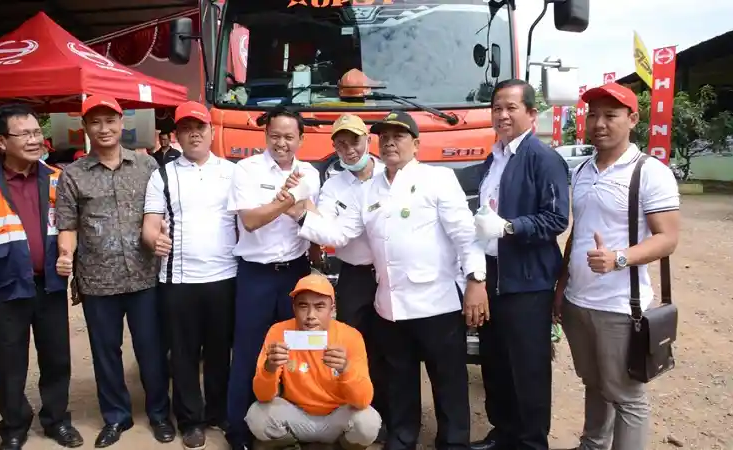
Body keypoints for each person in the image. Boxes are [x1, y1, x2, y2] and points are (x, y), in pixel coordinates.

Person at [289, 110, 488, 450]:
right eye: (385, 137)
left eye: (399, 136)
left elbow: (465, 235)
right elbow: (340, 233)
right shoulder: (370, 190)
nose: (390, 142)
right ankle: (401, 438)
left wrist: (476, 279)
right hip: (391, 306)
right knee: (399, 379)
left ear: (416, 144)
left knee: (448, 381)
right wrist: (299, 214)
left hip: (436, 302)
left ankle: (454, 443)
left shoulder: (438, 179)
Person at [554, 83, 680, 450]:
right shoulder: (582, 170)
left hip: (620, 306)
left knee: (627, 396)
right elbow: (579, 233)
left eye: (610, 115)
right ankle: (593, 444)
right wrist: (561, 288)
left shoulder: (649, 172)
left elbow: (668, 238)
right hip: (578, 302)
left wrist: (618, 258)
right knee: (594, 383)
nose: (599, 124)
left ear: (633, 119)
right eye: (593, 115)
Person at [0, 103, 83, 450]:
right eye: (24, 133)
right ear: (1, 141)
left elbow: (71, 226)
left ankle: (56, 420)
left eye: (37, 132)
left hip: (49, 286)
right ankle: (14, 425)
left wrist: (69, 259)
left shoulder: (57, 177)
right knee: (9, 361)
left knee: (56, 357)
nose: (34, 139)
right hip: (3, 286)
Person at [55, 95, 173, 448]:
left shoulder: (147, 166)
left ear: (122, 123)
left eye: (110, 121)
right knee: (105, 352)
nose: (103, 128)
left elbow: (162, 212)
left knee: (152, 349)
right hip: (97, 280)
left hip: (144, 276)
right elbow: (68, 224)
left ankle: (159, 413)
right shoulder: (73, 174)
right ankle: (116, 416)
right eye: (95, 122)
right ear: (85, 127)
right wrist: (65, 254)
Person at [468, 79, 571, 450]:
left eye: (511, 107)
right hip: (493, 275)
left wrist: (510, 227)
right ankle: (503, 433)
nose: (503, 115)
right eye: (497, 108)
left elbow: (556, 218)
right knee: (495, 361)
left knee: (528, 369)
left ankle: (530, 442)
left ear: (531, 113)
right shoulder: (493, 158)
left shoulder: (543, 159)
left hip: (527, 281)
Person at [142, 101, 237, 449]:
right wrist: (154, 240)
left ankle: (218, 412)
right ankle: (190, 420)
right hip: (178, 279)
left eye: (200, 128)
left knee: (219, 350)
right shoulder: (163, 175)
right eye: (186, 129)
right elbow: (150, 224)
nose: (194, 134)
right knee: (183, 354)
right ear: (177, 136)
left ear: (211, 132)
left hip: (225, 275)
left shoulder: (232, 172)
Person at [225, 106, 321, 450]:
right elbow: (251, 221)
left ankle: (295, 427)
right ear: (266, 135)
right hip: (256, 276)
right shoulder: (246, 170)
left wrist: (317, 258)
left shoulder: (310, 173)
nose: (282, 143)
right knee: (250, 352)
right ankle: (238, 431)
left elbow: (313, 221)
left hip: (296, 274)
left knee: (298, 350)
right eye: (275, 136)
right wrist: (289, 199)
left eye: (289, 137)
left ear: (301, 139)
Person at [246, 274, 382, 449]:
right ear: (294, 308)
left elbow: (363, 400)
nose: (310, 315)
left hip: (337, 417)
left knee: (368, 422)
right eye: (303, 306)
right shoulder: (279, 331)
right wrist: (269, 369)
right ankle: (292, 445)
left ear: (332, 309)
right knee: (257, 416)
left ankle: (338, 447)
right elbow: (263, 396)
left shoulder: (350, 336)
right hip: (296, 414)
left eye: (319, 307)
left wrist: (346, 369)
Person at [316, 114, 387, 435]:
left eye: (355, 141)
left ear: (368, 140)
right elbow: (326, 228)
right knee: (350, 345)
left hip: (389, 274)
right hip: (354, 276)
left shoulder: (390, 174)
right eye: (341, 145)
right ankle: (354, 413)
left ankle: (386, 416)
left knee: (389, 348)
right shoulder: (333, 185)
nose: (349, 150)